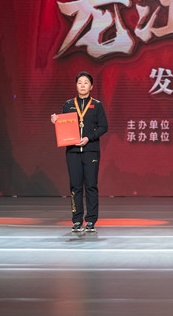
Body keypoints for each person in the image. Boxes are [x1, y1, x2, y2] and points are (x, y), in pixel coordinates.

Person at [51, 71, 108, 233]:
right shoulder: (68, 104)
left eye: (86, 83)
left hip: (91, 151)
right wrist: (56, 121)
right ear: (76, 85)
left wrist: (89, 138)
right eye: (80, 82)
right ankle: (77, 220)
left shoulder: (97, 105)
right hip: (73, 151)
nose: (83, 85)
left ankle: (90, 220)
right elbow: (64, 125)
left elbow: (104, 126)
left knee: (91, 186)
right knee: (75, 186)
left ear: (91, 86)